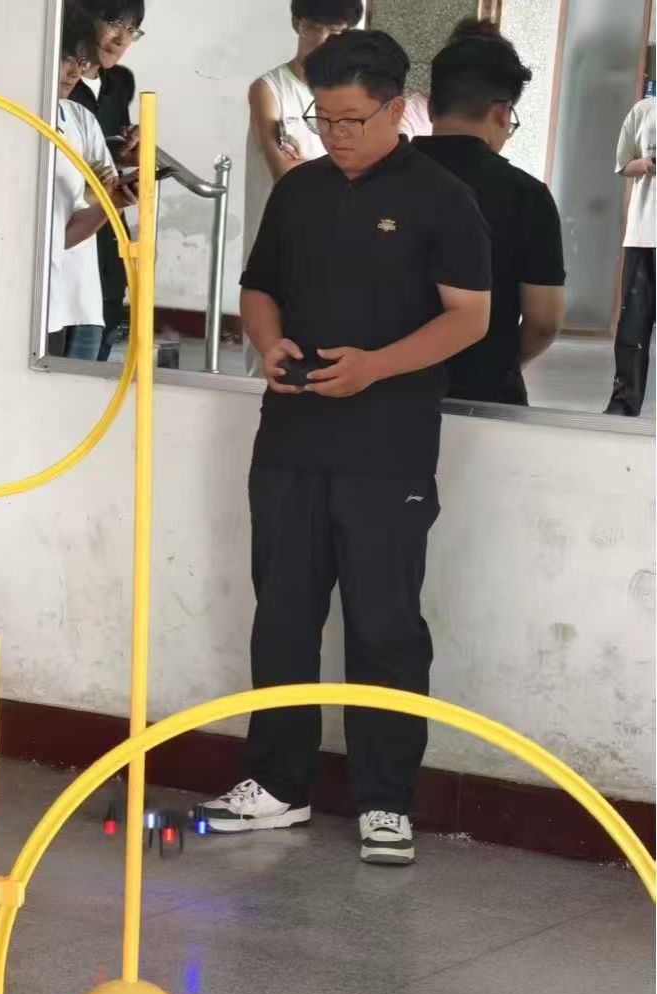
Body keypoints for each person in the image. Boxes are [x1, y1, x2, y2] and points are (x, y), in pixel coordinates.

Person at [203, 31, 492, 864]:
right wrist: (269, 344)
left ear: (398, 110)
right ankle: (277, 783)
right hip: (290, 441)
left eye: (353, 120)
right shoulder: (299, 191)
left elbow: (469, 318)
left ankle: (385, 801)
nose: (336, 135)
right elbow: (259, 289)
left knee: (384, 625)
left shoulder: (442, 199)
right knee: (283, 617)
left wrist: (374, 368)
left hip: (387, 449)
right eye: (324, 119)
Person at [413, 21, 565, 405]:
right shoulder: (527, 196)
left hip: (388, 392)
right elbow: (544, 321)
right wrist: (506, 363)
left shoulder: (382, 179)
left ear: (430, 106)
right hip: (487, 394)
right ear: (501, 112)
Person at [243, 0, 365, 376]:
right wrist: (327, 171)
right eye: (316, 27)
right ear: (297, 24)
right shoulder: (269, 89)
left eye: (337, 32)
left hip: (336, 243)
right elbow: (286, 177)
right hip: (277, 245)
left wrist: (305, 165)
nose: (325, 39)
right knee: (271, 362)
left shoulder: (350, 96)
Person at [48, 8, 136, 359]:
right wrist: (99, 197)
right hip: (42, 292)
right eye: (65, 60)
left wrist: (114, 198)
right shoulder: (18, 120)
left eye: (80, 62)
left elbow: (103, 195)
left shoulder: (80, 118)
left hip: (81, 292)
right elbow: (50, 239)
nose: (74, 72)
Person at [70, 1, 146, 361]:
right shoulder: (55, 82)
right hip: (70, 236)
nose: (122, 40)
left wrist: (126, 153)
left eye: (132, 30)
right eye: (115, 23)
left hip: (107, 240)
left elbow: (105, 151)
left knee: (98, 357)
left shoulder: (119, 83)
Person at [605, 95, 656, 416]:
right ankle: (624, 403)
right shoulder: (645, 109)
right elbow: (623, 164)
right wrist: (646, 164)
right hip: (645, 232)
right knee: (633, 325)